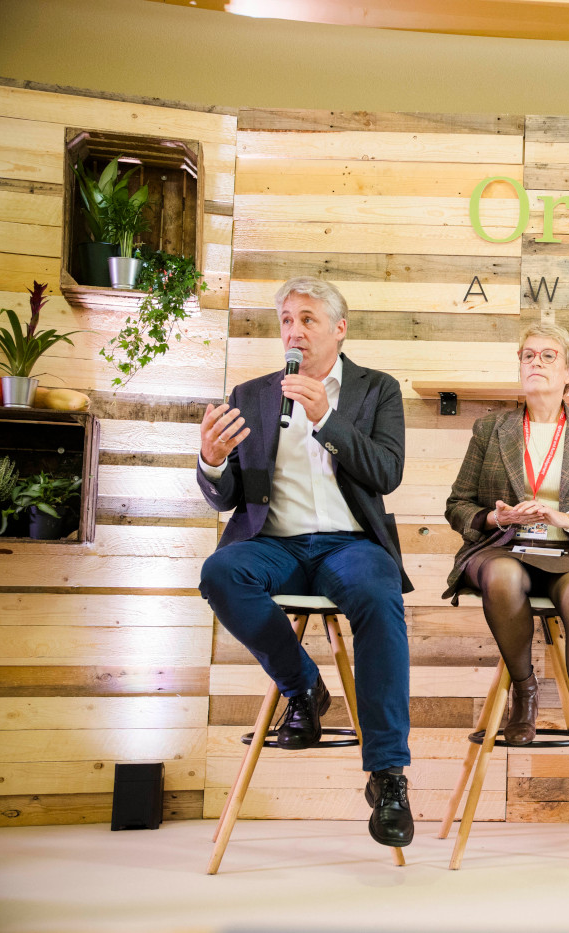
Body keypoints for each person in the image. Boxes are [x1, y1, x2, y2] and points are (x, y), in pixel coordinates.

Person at [196, 277, 414, 848]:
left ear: (339, 329)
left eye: (308, 319)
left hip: (351, 545)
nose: (294, 330)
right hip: (279, 545)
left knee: (377, 594)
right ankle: (302, 687)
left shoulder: (376, 390)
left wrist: (327, 421)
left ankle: (388, 775)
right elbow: (227, 496)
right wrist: (212, 461)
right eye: (287, 319)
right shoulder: (253, 394)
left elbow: (387, 473)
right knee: (220, 572)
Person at [443, 322, 569, 818]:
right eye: (528, 355)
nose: (535, 362)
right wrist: (494, 516)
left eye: (548, 356)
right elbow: (458, 505)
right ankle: (525, 690)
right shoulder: (493, 430)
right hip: (506, 547)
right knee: (503, 577)